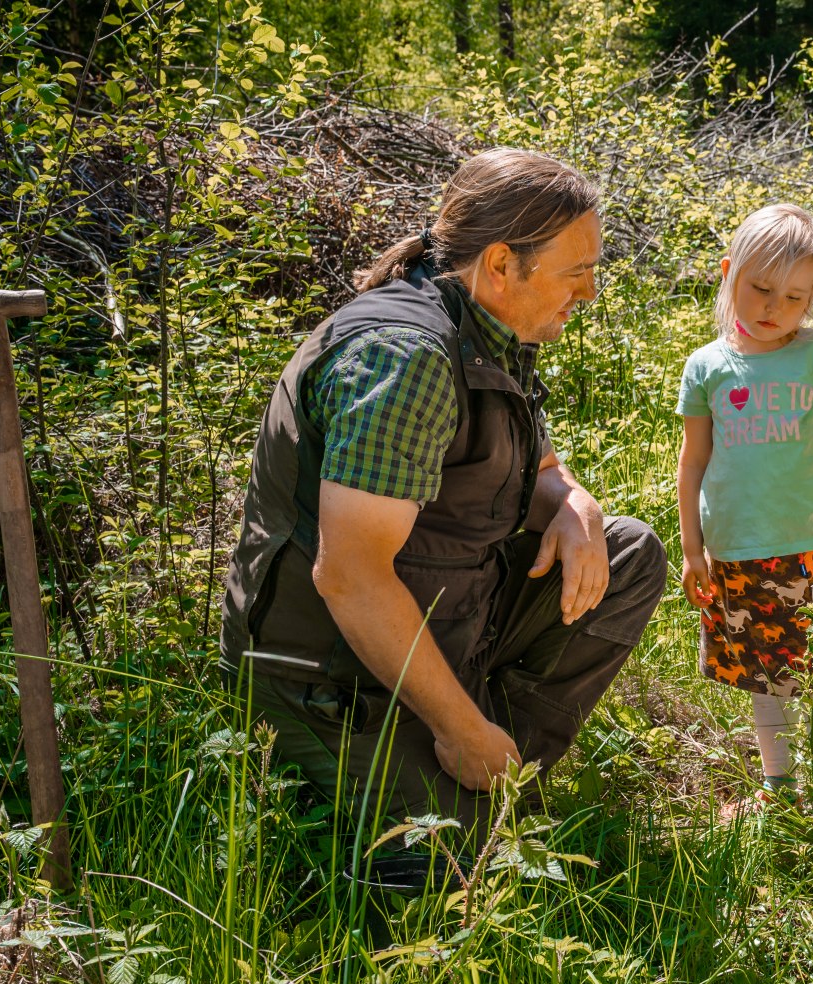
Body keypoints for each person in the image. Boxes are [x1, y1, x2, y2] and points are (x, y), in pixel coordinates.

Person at [219, 149, 666, 848]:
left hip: (446, 614)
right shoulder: (408, 359)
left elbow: (541, 466)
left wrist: (577, 507)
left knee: (626, 550)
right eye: (577, 274)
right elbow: (350, 576)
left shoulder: (488, 326)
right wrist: (457, 728)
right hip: (335, 675)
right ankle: (466, 757)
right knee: (438, 889)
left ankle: (493, 772)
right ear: (500, 264)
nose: (589, 294)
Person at [674, 204, 813, 813]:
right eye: (762, 289)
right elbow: (692, 462)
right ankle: (779, 786)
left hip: (810, 546)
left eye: (796, 297)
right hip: (736, 548)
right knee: (762, 677)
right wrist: (691, 547)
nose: (775, 308)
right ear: (728, 275)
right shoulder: (708, 367)